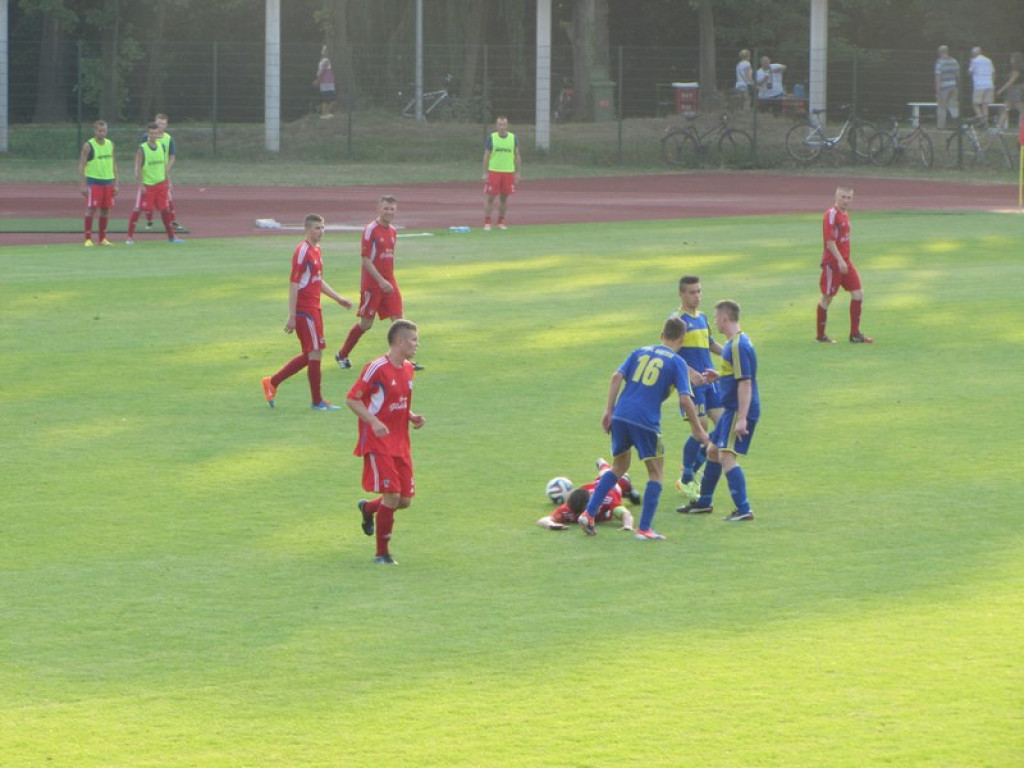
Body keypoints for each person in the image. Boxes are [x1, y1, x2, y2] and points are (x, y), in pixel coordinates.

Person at [578, 317, 711, 541]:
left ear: (662, 335)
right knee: (656, 473)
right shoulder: (677, 362)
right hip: (645, 421)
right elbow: (686, 400)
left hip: (620, 415)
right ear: (683, 339)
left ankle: (589, 513)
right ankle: (644, 529)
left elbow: (616, 377)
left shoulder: (639, 351)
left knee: (619, 466)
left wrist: (608, 411)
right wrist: (699, 430)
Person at [346, 319, 425, 565]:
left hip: (401, 442)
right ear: (400, 341)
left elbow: (398, 399)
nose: (417, 344)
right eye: (413, 340)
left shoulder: (409, 368)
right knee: (391, 496)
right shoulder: (376, 368)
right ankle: (382, 554)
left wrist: (411, 416)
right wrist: (373, 422)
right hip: (378, 442)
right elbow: (352, 399)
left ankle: (368, 509)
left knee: (404, 501)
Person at [677, 300, 759, 522]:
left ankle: (744, 509)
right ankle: (704, 501)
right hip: (733, 408)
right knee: (713, 451)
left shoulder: (738, 346)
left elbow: (746, 383)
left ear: (724, 318)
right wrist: (719, 375)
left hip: (738, 409)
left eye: (716, 318)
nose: (714, 321)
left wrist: (742, 419)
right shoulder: (735, 344)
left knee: (726, 455)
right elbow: (737, 377)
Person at [261, 214, 353, 410]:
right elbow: (294, 284)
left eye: (323, 228)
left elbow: (317, 280)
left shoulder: (317, 250)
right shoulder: (302, 251)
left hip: (314, 307)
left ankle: (273, 382)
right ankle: (316, 401)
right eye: (317, 228)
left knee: (312, 353)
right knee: (314, 352)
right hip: (305, 309)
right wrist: (292, 315)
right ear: (307, 229)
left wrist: (338, 299)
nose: (321, 232)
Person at [334, 195, 421, 371]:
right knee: (366, 324)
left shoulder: (393, 231)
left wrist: (388, 280)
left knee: (399, 321)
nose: (389, 212)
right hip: (373, 284)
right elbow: (365, 259)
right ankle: (342, 354)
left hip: (389, 282)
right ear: (378, 209)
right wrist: (380, 281)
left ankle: (403, 361)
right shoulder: (370, 230)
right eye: (386, 208)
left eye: (392, 209)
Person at [669, 275, 724, 500]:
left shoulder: (701, 318)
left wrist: (732, 353)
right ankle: (686, 480)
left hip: (711, 381)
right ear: (681, 294)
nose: (697, 296)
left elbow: (710, 344)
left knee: (724, 428)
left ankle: (692, 466)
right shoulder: (676, 321)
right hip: (692, 386)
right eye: (692, 292)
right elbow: (670, 351)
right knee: (699, 429)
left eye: (699, 291)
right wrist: (689, 372)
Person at [816, 185, 872, 344]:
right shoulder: (831, 215)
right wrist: (840, 260)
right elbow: (830, 242)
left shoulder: (845, 214)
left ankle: (855, 335)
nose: (846, 200)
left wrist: (844, 261)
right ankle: (821, 336)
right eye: (843, 197)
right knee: (827, 297)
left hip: (845, 263)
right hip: (833, 264)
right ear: (836, 197)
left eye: (849, 197)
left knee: (858, 294)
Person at [125, 122, 184, 245]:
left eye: (155, 133)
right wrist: (141, 185)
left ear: (158, 134)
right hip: (148, 185)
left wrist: (168, 180)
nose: (153, 135)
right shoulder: (142, 149)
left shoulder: (161, 147)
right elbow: (137, 168)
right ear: (148, 134)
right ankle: (129, 237)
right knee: (138, 209)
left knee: (165, 210)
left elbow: (163, 166)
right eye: (151, 133)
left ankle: (171, 237)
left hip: (161, 185)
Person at [78, 119, 118, 247]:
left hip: (108, 181)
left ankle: (102, 238)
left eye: (104, 130)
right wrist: (82, 184)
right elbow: (82, 164)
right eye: (100, 131)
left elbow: (114, 163)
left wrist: (116, 182)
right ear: (95, 131)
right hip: (94, 181)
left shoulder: (110, 144)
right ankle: (88, 238)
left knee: (106, 210)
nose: (102, 133)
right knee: (91, 209)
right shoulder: (88, 146)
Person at [143, 114, 183, 232]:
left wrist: (166, 169)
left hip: (162, 173)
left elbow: (172, 156)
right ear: (155, 123)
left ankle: (173, 221)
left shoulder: (168, 138)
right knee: (148, 199)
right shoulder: (146, 137)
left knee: (168, 197)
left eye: (164, 124)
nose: (161, 126)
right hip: (149, 173)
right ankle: (149, 221)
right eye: (159, 123)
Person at [482, 115, 522, 231]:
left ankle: (500, 221)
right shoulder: (492, 138)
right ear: (496, 126)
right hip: (494, 171)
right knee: (490, 197)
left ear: (507, 126)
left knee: (504, 197)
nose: (502, 127)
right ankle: (487, 222)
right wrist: (485, 173)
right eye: (499, 125)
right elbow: (486, 156)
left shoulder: (513, 138)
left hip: (508, 172)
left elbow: (517, 156)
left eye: (504, 125)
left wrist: (518, 172)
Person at [934, 45, 961, 131]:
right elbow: (958, 75)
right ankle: (956, 123)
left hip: (943, 87)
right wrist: (957, 86)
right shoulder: (954, 61)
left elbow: (938, 77)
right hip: (953, 86)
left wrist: (937, 90)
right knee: (953, 105)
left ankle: (941, 126)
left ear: (940, 52)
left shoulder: (939, 62)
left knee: (941, 107)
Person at [996, 52, 1023, 132]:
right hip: (1015, 90)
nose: (1010, 60)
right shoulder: (1020, 69)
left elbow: (1011, 81)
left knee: (1019, 109)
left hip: (1014, 91)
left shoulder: (1016, 69)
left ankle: (1000, 127)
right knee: (1006, 108)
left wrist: (1001, 90)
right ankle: (999, 127)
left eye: (1012, 58)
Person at [969, 46, 995, 125]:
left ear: (974, 53)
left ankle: (981, 119)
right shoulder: (988, 60)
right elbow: (993, 72)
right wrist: (992, 83)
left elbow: (970, 72)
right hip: (989, 84)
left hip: (979, 85)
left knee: (975, 104)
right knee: (985, 105)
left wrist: (970, 63)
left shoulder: (974, 61)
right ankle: (986, 123)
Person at [313, 45, 336, 119]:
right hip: (327, 82)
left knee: (327, 98)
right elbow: (322, 71)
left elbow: (320, 72)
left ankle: (326, 113)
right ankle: (324, 113)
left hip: (325, 82)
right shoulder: (326, 61)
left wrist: (318, 80)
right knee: (330, 98)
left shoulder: (321, 61)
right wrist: (318, 80)